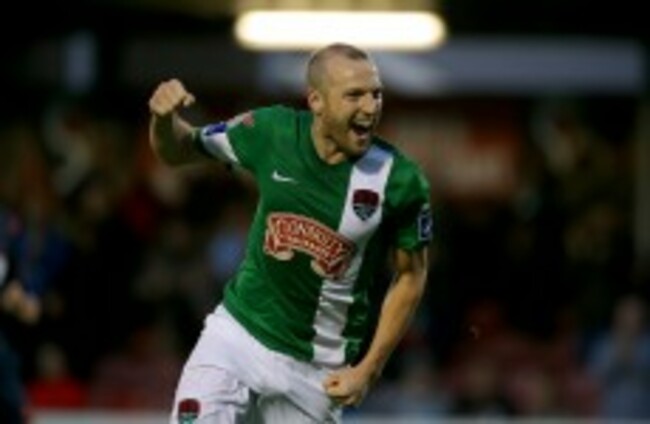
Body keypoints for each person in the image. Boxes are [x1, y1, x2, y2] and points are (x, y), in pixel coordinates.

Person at [148, 42, 433, 423]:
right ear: (316, 101)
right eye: (354, 95)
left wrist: (368, 369)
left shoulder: (399, 180)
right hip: (238, 337)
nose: (370, 107)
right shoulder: (270, 131)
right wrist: (163, 119)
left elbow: (411, 276)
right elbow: (180, 149)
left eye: (376, 94)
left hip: (317, 371)